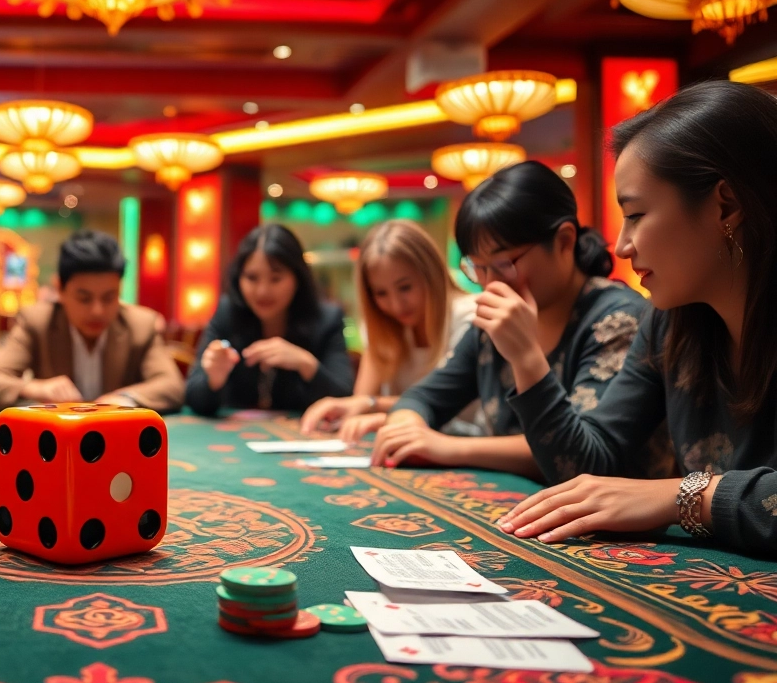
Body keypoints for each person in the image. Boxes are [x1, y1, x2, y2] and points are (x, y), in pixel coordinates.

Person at [499, 81, 777, 557]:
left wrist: (682, 495)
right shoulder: (670, 322)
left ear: (725, 205)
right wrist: (527, 358)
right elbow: (587, 465)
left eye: (637, 214)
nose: (623, 246)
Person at [363, 161, 653, 478]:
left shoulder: (618, 321)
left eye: (503, 263)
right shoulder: (491, 324)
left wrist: (448, 446)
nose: (490, 284)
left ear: (564, 241)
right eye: (477, 268)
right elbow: (422, 398)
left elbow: (578, 461)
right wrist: (408, 428)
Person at [300, 220, 479, 437]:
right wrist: (361, 406)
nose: (395, 305)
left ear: (431, 274)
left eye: (405, 287)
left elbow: (444, 403)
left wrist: (375, 407)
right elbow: (360, 401)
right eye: (381, 293)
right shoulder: (384, 326)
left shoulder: (470, 317)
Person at [0, 230, 185, 411]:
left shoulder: (141, 325)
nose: (97, 311)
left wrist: (124, 399)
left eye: (109, 297)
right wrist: (35, 388)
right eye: (84, 298)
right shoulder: (37, 322)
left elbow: (172, 385)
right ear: (60, 290)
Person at [186, 224, 354, 416]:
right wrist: (213, 380)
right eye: (251, 278)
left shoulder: (327, 319)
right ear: (238, 278)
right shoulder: (228, 313)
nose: (262, 291)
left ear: (297, 277)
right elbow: (193, 399)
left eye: (275, 278)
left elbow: (344, 399)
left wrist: (306, 364)